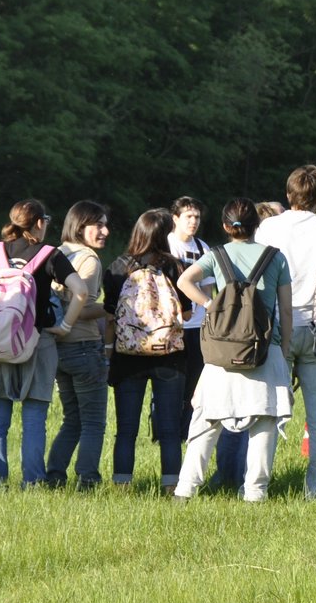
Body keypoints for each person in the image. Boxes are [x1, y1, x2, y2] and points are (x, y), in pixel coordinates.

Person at [0, 200, 88, 490]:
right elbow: (81, 291)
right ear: (38, 223)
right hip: (37, 342)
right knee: (34, 416)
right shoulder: (50, 254)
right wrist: (64, 326)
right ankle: (33, 482)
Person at [173, 198, 293, 501]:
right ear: (257, 226)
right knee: (265, 420)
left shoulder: (216, 255)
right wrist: (285, 351)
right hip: (264, 348)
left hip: (222, 350)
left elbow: (184, 280)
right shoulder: (275, 258)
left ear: (226, 226)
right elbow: (287, 312)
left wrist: (210, 304)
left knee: (206, 421)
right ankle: (255, 491)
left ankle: (186, 489)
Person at [256, 166, 316, 499]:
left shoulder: (269, 227)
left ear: (289, 195)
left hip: (276, 328)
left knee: (268, 409)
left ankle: (258, 484)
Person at [104, 209, 189, 492]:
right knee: (169, 429)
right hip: (169, 355)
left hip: (128, 355)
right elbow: (186, 315)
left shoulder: (118, 266)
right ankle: (171, 486)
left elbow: (110, 315)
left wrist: (108, 349)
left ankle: (122, 485)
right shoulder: (175, 267)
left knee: (126, 429)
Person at [45, 201, 112, 490]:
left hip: (57, 348)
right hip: (83, 346)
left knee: (72, 418)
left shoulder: (56, 253)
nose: (105, 231)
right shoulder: (89, 260)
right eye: (97, 225)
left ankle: (55, 476)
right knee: (94, 421)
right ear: (80, 226)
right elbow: (81, 308)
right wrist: (112, 308)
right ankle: (88, 480)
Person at [168, 195, 211, 437]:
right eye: (188, 216)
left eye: (196, 217)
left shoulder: (203, 248)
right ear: (176, 218)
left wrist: (207, 318)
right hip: (172, 326)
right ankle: (165, 429)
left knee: (194, 381)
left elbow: (207, 288)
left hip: (197, 327)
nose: (193, 221)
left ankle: (186, 430)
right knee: (172, 381)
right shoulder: (167, 245)